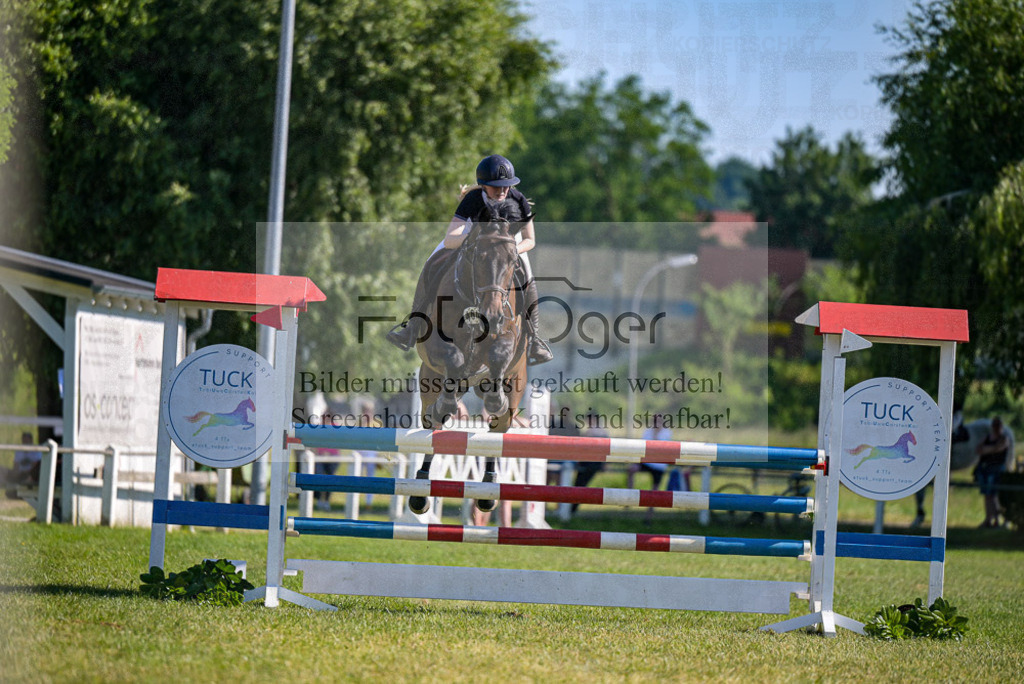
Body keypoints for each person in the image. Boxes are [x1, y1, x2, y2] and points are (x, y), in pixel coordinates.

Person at [386, 154, 553, 365]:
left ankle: (535, 338)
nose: (502, 191)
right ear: (483, 185)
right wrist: (475, 240)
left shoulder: (517, 199)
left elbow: (530, 240)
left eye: (506, 186)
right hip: (470, 240)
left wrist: (510, 250)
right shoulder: (472, 200)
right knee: (432, 261)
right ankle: (413, 325)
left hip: (509, 246)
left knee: (528, 276)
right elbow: (450, 239)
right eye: (496, 187)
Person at [974, 416, 1010, 528]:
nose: (996, 428)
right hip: (986, 469)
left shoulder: (1004, 438)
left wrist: (987, 449)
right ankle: (989, 518)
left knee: (994, 496)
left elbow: (997, 448)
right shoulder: (987, 437)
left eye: (998, 425)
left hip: (997, 470)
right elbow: (979, 449)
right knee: (987, 495)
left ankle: (998, 519)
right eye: (995, 425)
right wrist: (990, 448)